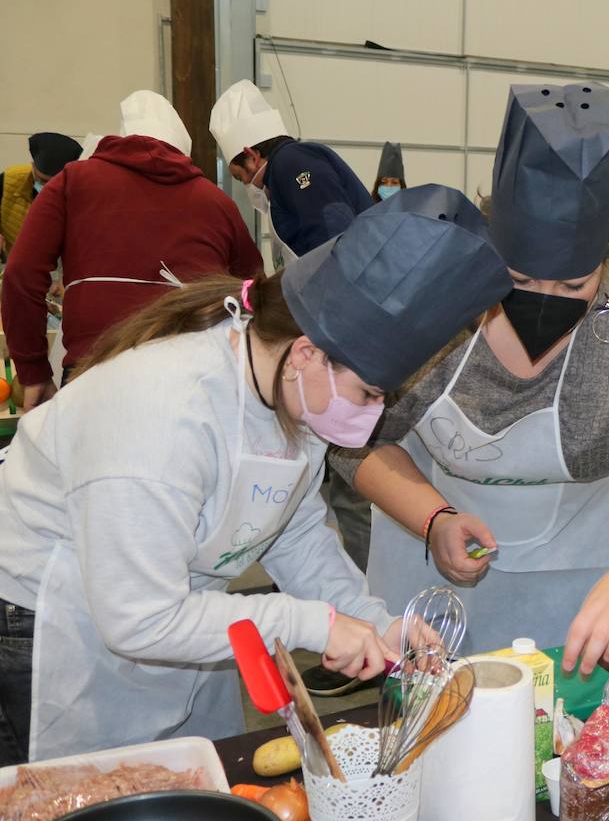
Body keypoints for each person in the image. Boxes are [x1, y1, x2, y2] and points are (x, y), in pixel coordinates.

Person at [0, 187, 512, 763]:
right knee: (80, 796)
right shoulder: (161, 414)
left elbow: (293, 534)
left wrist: (372, 623)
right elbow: (137, 618)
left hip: (186, 602)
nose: (371, 416)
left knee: (199, 771)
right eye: (369, 393)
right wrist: (312, 625)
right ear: (305, 354)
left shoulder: (290, 395)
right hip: (55, 615)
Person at [332, 85, 609, 673]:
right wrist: (433, 517)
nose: (543, 304)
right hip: (424, 561)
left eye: (574, 287)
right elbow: (352, 435)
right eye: (519, 280)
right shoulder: (429, 303)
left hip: (577, 574)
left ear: (604, 262)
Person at [1, 91, 260, 410]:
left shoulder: (72, 182)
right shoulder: (218, 202)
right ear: (182, 151)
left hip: (95, 371)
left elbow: (20, 275)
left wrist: (33, 371)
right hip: (196, 377)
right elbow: (253, 291)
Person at [210, 80, 372, 263]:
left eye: (240, 177)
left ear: (252, 157)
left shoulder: (292, 163)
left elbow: (331, 235)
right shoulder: (285, 167)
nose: (247, 185)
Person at [2, 133, 81, 259]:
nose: (48, 187)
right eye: (42, 180)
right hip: (16, 265)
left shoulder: (79, 193)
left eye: (55, 182)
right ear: (33, 167)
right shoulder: (9, 180)